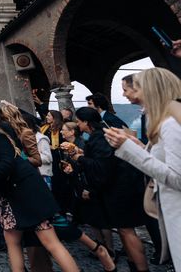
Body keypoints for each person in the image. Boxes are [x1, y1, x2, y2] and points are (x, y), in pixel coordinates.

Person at [0, 106, 79, 272]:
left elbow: (7, 165)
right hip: (16, 195)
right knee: (15, 241)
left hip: (26, 194)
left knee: (50, 242)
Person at [105, 67, 181, 269]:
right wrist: (139, 147)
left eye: (134, 89)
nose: (125, 94)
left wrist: (128, 149)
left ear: (151, 90)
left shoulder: (171, 125)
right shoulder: (165, 123)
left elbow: (178, 179)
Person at [66, 107, 148, 271]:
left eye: (79, 121)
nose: (78, 124)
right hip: (118, 188)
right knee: (123, 229)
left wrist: (80, 158)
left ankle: (141, 268)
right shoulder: (99, 136)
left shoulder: (99, 138)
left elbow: (102, 166)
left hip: (120, 190)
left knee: (126, 231)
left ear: (86, 123)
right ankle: (134, 265)